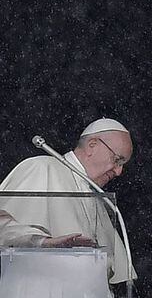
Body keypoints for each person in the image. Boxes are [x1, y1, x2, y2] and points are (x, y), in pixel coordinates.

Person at [0, 118, 136, 285]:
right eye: (117, 160)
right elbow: (3, 226)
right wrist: (43, 243)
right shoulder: (42, 167)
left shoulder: (98, 198)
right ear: (92, 145)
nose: (119, 171)